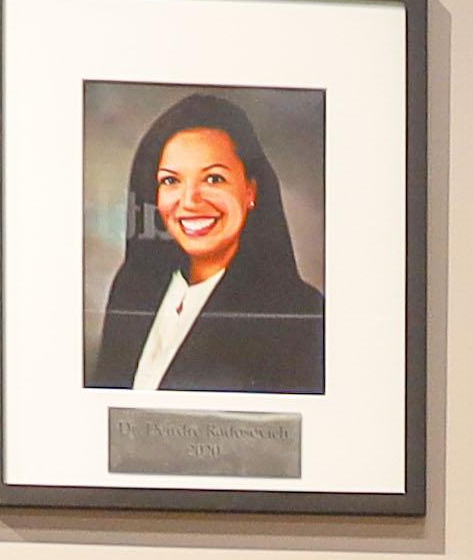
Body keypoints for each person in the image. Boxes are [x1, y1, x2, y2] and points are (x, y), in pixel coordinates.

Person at [79, 93, 327, 395]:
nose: (190, 201)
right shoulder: (132, 287)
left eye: (213, 179)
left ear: (251, 190)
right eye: (171, 181)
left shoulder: (298, 314)